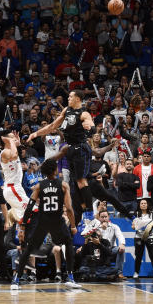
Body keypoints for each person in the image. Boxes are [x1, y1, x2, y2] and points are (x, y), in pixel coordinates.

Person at [10, 158, 80, 290]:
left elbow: (30, 206)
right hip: (57, 221)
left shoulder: (38, 186)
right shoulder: (64, 185)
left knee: (29, 249)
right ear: (55, 170)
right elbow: (69, 208)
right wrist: (73, 225)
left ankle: (16, 279)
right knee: (68, 243)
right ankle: (70, 277)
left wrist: (24, 224)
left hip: (42, 221)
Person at [29, 91, 98, 219]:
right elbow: (53, 126)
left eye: (71, 96)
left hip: (81, 148)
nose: (68, 97)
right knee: (74, 183)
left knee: (81, 182)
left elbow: (93, 127)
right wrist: (36, 134)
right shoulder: (66, 110)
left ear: (77, 98)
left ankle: (90, 214)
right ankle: (82, 212)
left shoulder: (84, 113)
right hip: (70, 149)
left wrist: (90, 128)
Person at [0, 129, 29, 227]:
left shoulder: (11, 149)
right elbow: (14, 155)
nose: (15, 138)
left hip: (15, 188)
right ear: (6, 140)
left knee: (23, 215)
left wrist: (17, 143)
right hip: (13, 188)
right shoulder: (5, 152)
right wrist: (12, 142)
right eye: (12, 137)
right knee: (30, 210)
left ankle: (9, 222)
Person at [131, 198, 153, 279]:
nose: (143, 205)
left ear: (147, 205)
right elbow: (133, 226)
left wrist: (151, 223)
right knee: (138, 256)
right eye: (141, 203)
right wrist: (138, 225)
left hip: (150, 236)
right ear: (139, 205)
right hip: (139, 237)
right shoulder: (136, 214)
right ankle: (136, 272)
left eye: (145, 203)